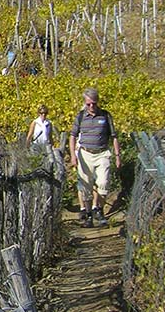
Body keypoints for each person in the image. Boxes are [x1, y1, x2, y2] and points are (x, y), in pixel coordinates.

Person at [69, 88, 122, 228]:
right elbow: (72, 136)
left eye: (93, 103)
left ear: (97, 102)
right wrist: (73, 156)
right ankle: (88, 214)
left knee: (103, 183)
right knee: (85, 186)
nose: (91, 106)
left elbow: (114, 137)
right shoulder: (80, 116)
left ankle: (99, 209)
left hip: (102, 153)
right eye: (88, 104)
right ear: (85, 104)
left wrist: (117, 156)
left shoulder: (105, 116)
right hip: (85, 153)